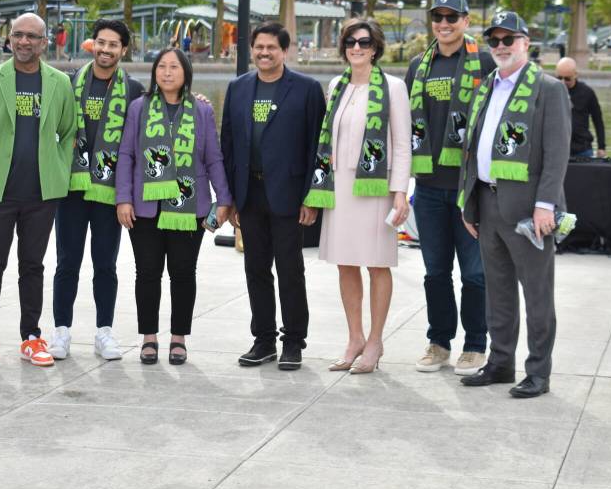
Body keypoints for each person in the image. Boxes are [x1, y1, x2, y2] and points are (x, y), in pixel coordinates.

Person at [458, 11, 571, 399]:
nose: (501, 46)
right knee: (498, 291)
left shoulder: (549, 89)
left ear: (526, 43)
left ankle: (538, 372)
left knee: (537, 294)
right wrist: (468, 203)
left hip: (528, 211)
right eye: (495, 40)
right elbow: (473, 148)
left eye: (509, 39)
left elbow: (557, 154)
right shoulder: (486, 87)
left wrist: (545, 205)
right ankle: (501, 362)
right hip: (487, 203)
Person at [0, 12, 76, 369]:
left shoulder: (59, 82)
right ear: (9, 39)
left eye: (32, 36)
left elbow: (68, 132)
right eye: (18, 35)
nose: (24, 41)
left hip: (41, 192)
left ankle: (31, 337)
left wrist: (59, 170)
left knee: (33, 266)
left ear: (44, 43)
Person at [304, 19, 411, 374]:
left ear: (375, 47)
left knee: (377, 263)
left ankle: (376, 341)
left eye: (364, 42)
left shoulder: (394, 87)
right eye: (350, 41)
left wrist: (400, 192)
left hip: (376, 186)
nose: (356, 47)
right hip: (340, 186)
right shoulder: (337, 85)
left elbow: (401, 143)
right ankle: (355, 338)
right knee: (345, 262)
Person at [220, 22, 325, 370]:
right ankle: (263, 340)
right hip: (250, 193)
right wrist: (230, 197)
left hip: (290, 195)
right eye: (259, 47)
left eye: (271, 48)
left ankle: (293, 341)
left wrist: (312, 197)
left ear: (285, 51)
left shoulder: (307, 89)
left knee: (290, 270)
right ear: (252, 50)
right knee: (255, 269)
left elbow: (318, 147)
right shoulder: (238, 88)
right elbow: (228, 145)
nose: (264, 53)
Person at [117, 48, 232, 365]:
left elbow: (213, 158)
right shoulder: (139, 108)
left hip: (189, 207)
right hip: (146, 207)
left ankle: (179, 337)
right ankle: (149, 337)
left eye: (174, 67)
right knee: (147, 273)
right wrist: (123, 198)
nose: (167, 73)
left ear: (186, 73)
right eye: (162, 67)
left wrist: (224, 200)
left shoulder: (201, 110)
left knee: (183, 273)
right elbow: (126, 155)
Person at [404, 0, 495, 376]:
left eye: (451, 17)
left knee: (475, 274)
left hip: (468, 190)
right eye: (437, 17)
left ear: (466, 21)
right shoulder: (417, 66)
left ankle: (475, 346)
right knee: (435, 272)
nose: (444, 24)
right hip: (428, 187)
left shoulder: (485, 62)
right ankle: (439, 342)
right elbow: (404, 123)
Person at [48, 19, 144, 362]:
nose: (106, 49)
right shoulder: (68, 82)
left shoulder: (134, 90)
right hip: (71, 188)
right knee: (67, 263)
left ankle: (104, 332)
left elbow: (159, 117)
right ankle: (61, 330)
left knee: (105, 265)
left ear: (123, 49)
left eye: (113, 44)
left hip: (108, 191)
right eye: (101, 42)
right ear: (93, 44)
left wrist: (198, 100)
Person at [555, 57, 605, 158]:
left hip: (582, 149)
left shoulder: (587, 92)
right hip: (556, 148)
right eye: (559, 78)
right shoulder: (551, 91)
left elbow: (598, 121)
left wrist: (601, 146)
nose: (563, 82)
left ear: (575, 74)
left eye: (567, 79)